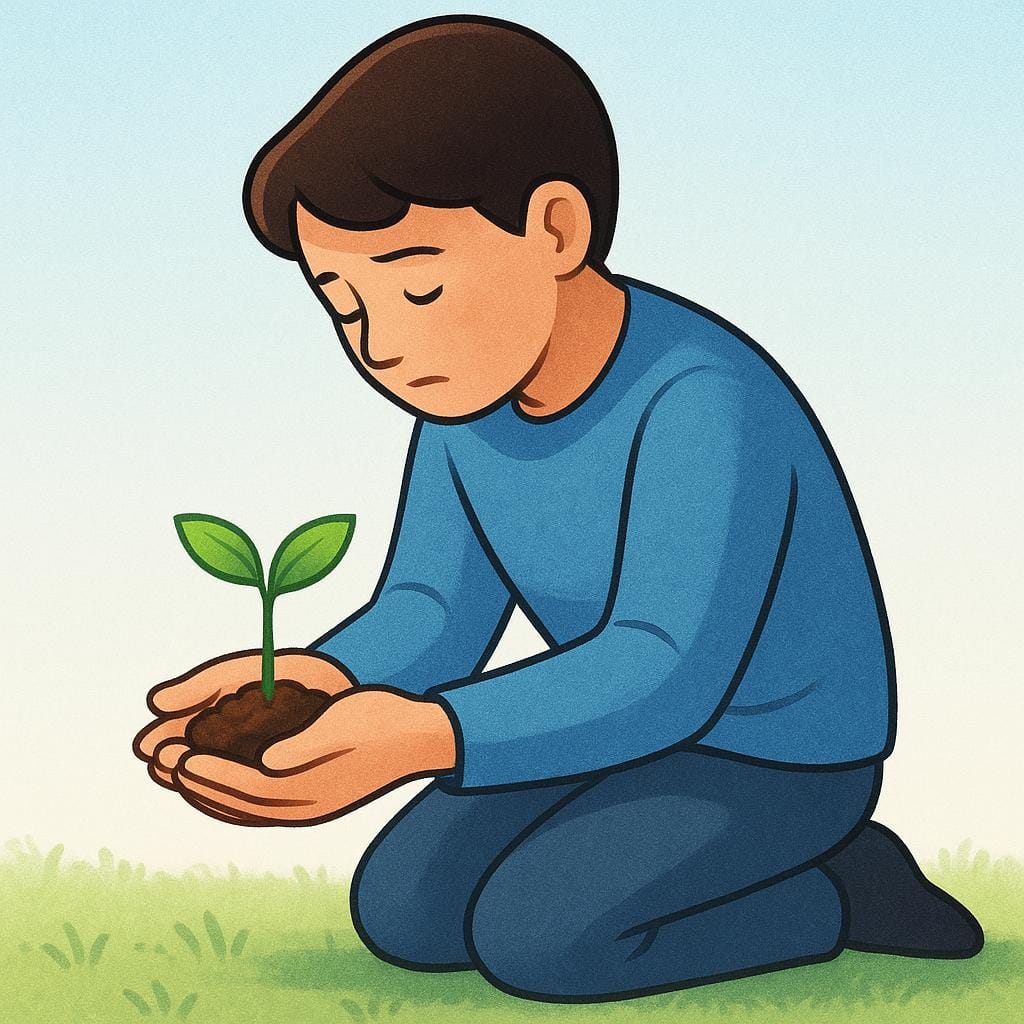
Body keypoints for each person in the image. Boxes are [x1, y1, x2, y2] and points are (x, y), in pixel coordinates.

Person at [132, 15, 983, 1003]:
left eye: (417, 285)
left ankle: (844, 889)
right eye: (343, 303)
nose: (379, 344)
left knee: (543, 942)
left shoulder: (702, 398)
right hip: (608, 727)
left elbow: (664, 667)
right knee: (407, 912)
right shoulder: (461, 407)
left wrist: (424, 737)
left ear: (555, 231)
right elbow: (432, 612)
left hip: (771, 752)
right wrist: (315, 677)